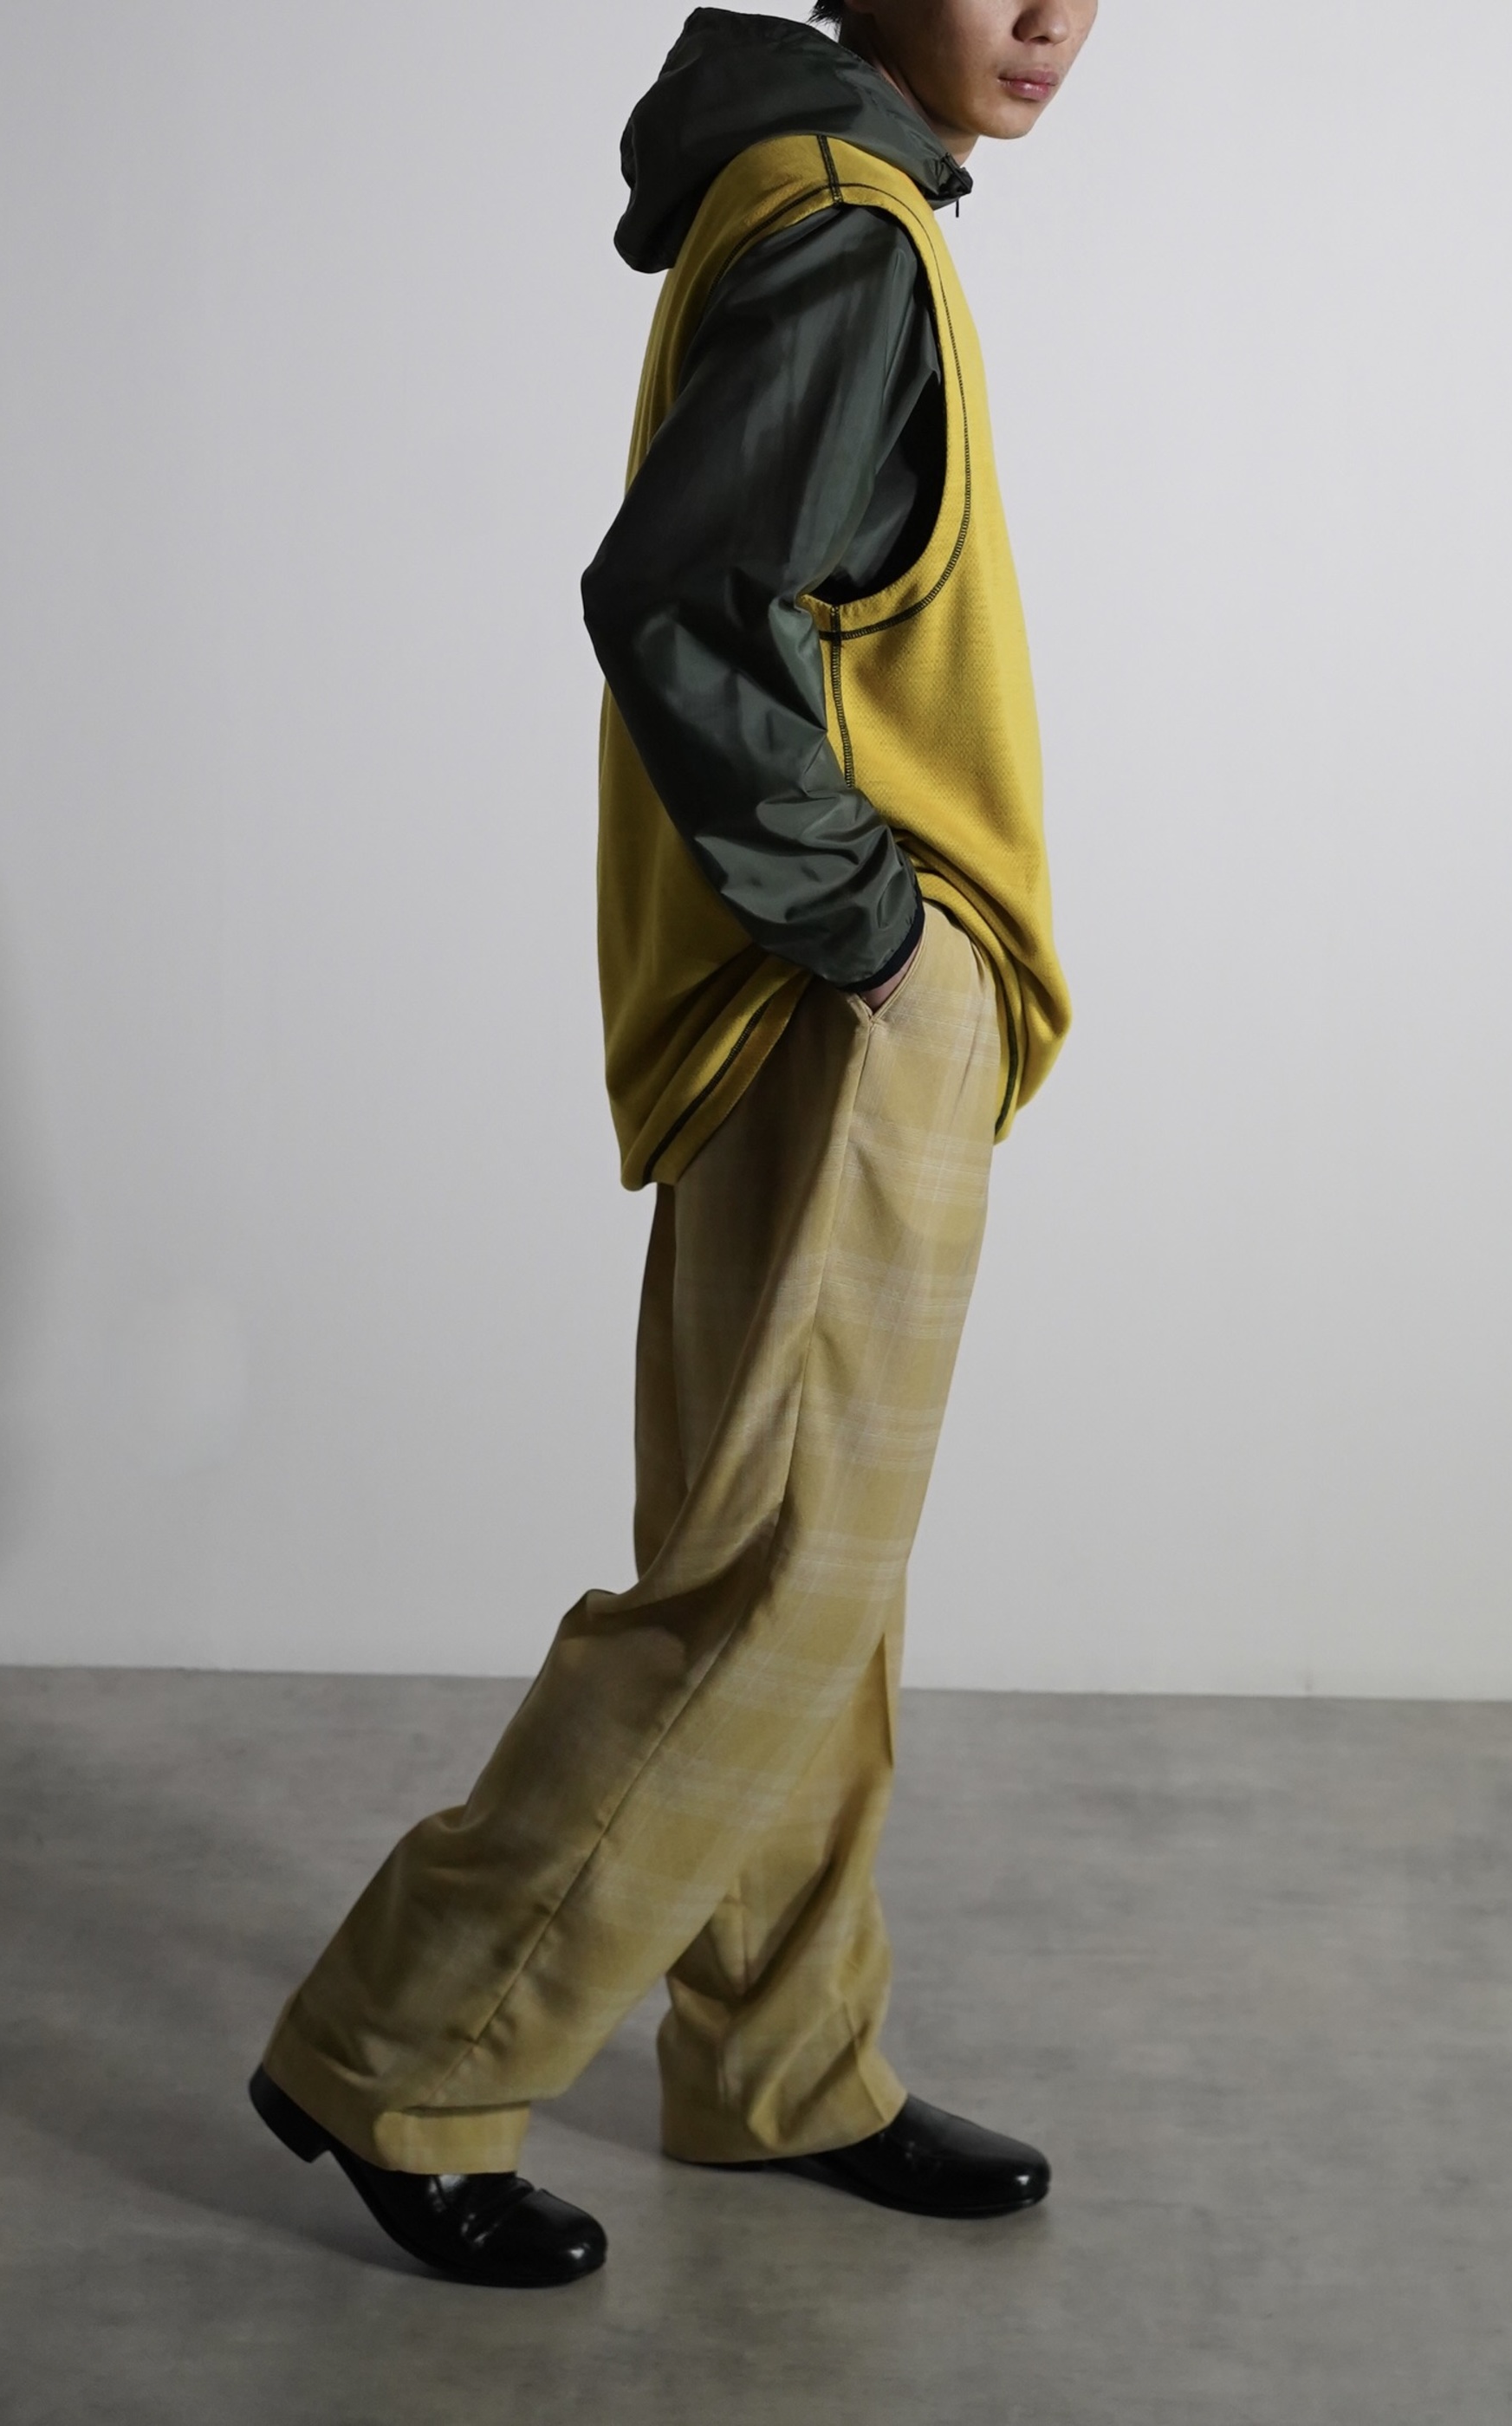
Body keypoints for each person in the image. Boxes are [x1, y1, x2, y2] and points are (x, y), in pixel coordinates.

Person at [248, 0, 1095, 2289]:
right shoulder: (842, 223)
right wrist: (877, 932)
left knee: (818, 1580)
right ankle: (399, 2048)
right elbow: (679, 603)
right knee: (770, 1582)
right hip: (835, 1003)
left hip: (784, 997)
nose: (1055, 15)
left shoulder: (811, 187)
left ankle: (780, 2058)